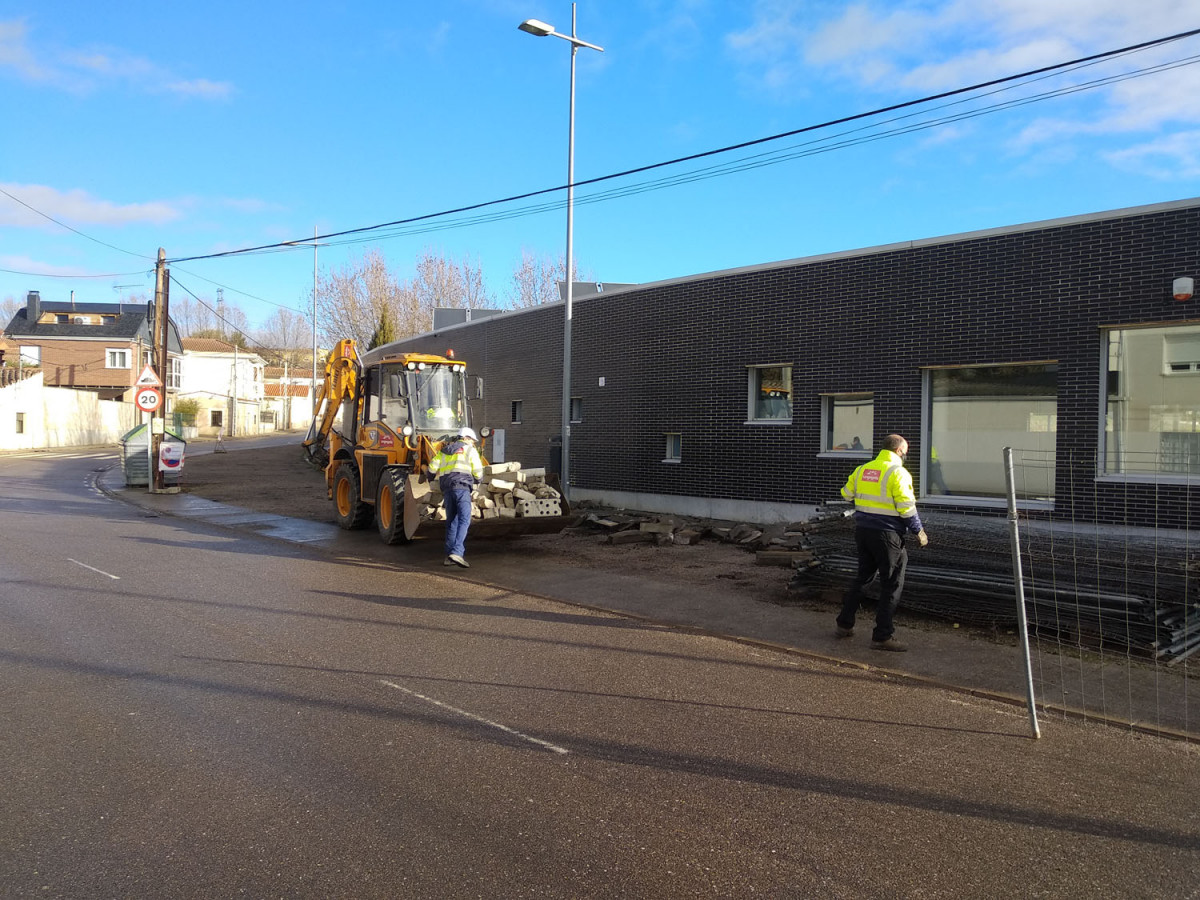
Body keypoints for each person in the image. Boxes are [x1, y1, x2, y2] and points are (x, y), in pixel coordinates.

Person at [835, 433, 929, 652]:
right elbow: (906, 507)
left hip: (864, 531)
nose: (906, 456)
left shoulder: (862, 470)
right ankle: (882, 636)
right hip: (888, 536)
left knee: (863, 577)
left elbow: (846, 494)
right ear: (898, 451)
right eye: (905, 452)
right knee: (892, 584)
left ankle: (844, 624)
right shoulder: (898, 473)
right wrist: (919, 531)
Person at [427, 426, 484, 568]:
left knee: (452, 521)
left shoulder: (444, 451)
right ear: (465, 438)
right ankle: (457, 552)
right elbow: (478, 472)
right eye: (472, 440)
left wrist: (429, 478)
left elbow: (432, 468)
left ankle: (448, 556)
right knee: (465, 520)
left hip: (447, 490)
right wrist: (478, 480)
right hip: (462, 488)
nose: (473, 443)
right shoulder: (470, 451)